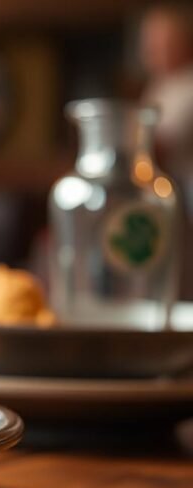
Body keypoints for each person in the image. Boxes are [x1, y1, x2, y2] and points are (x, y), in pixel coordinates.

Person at [140, 2, 193, 297]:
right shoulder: (161, 84)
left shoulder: (188, 83)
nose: (151, 50)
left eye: (161, 41)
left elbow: (157, 148)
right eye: (148, 41)